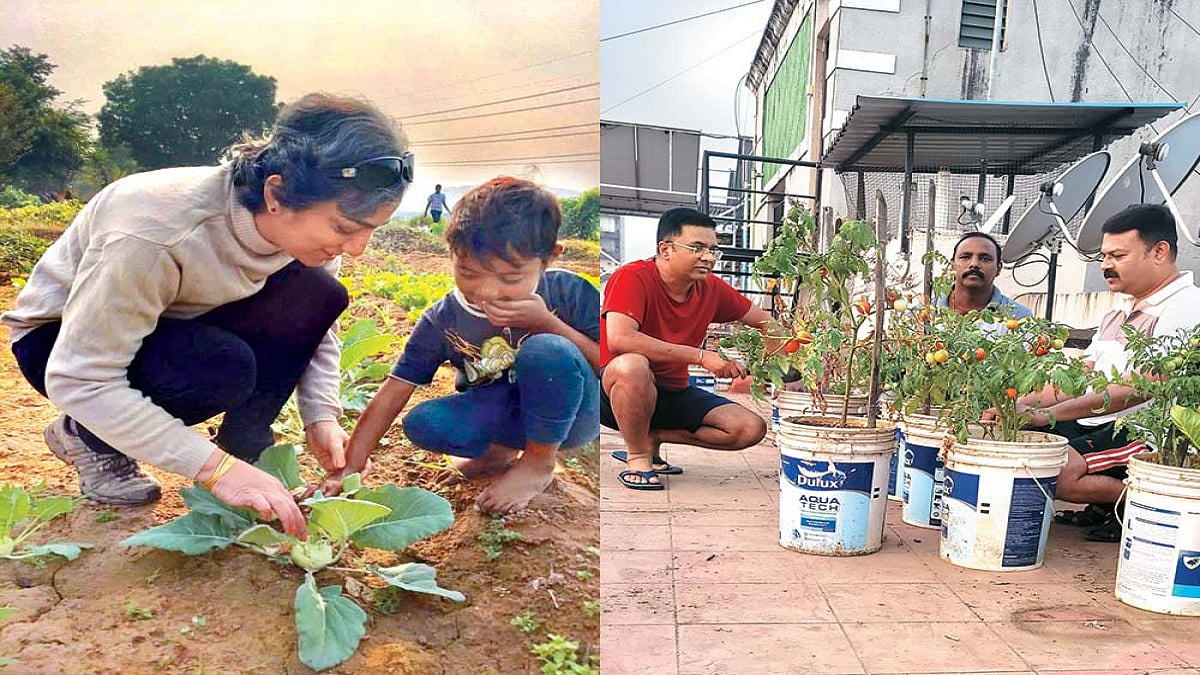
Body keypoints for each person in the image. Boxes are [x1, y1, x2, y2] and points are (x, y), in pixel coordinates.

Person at [1, 93, 413, 538]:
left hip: (182, 322)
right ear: (276, 193)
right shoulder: (156, 229)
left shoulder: (305, 231)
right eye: (346, 229)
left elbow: (316, 325)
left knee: (320, 291)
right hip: (63, 342)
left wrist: (321, 417)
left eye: (371, 230)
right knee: (221, 367)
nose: (357, 247)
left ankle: (248, 448)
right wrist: (217, 472)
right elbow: (81, 376)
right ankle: (87, 434)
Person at [322, 177, 600, 514]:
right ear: (452, 253)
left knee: (548, 350)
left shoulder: (569, 293)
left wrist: (548, 324)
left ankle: (539, 462)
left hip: (572, 415)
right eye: (468, 273)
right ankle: (497, 454)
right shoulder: (442, 320)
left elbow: (607, 365)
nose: (486, 291)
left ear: (549, 258)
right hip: (504, 414)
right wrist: (351, 465)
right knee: (424, 423)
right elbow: (393, 392)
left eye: (510, 279)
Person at [1014, 204, 1200, 541]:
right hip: (1098, 421)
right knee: (1018, 443)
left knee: (1054, 470)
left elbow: (1140, 388)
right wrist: (1017, 404)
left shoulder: (1187, 308)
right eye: (1104, 256)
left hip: (1144, 430)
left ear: (1159, 251)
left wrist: (1047, 415)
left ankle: (1146, 503)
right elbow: (1082, 377)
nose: (1106, 266)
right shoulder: (1120, 309)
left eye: (1118, 255)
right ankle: (1107, 503)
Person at [601, 207, 771, 490]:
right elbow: (620, 339)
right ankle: (639, 455)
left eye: (713, 250)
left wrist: (793, 347)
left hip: (673, 391)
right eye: (697, 248)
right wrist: (702, 357)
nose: (708, 257)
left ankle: (653, 436)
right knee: (632, 365)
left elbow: (765, 322)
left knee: (750, 429)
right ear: (665, 249)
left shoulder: (711, 288)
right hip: (616, 392)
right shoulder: (632, 277)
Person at [934, 231, 1032, 321]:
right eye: (965, 257)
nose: (974, 264)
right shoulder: (925, 312)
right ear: (952, 266)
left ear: (998, 268)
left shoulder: (1018, 317)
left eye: (985, 259)